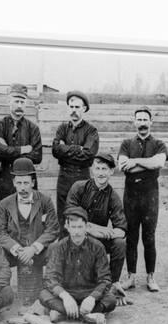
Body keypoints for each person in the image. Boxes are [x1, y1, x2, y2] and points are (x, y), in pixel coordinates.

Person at [0, 157, 59, 302]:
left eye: (26, 183)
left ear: (33, 183)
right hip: (15, 252)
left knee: (58, 249)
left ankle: (54, 291)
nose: (22, 188)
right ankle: (1, 294)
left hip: (38, 251)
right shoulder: (5, 203)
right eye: (19, 183)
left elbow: (53, 229)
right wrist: (17, 249)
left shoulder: (45, 201)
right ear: (14, 183)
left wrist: (34, 248)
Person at [118, 106, 168, 292]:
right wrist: (148, 165)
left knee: (149, 237)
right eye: (138, 119)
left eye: (144, 120)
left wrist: (136, 161)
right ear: (134, 122)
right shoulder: (126, 143)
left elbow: (159, 162)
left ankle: (150, 277)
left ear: (151, 122)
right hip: (131, 196)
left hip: (150, 196)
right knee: (131, 237)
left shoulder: (158, 144)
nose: (141, 123)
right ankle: (131, 277)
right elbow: (123, 166)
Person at [66, 153, 129, 305]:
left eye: (105, 169)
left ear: (111, 172)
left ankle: (113, 283)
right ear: (92, 170)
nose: (101, 173)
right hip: (76, 236)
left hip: (98, 241)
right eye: (98, 168)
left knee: (120, 243)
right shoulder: (79, 187)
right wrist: (93, 228)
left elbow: (121, 229)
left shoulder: (113, 196)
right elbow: (70, 215)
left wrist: (100, 231)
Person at [39, 207, 117, 324]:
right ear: (67, 227)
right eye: (73, 227)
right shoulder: (58, 247)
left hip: (89, 292)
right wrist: (65, 297)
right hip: (67, 293)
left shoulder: (97, 247)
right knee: (43, 295)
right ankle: (87, 316)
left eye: (80, 227)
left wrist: (92, 298)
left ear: (86, 227)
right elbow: (51, 278)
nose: (77, 232)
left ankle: (62, 314)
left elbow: (105, 279)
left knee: (111, 300)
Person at [52, 90, 99, 236]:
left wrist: (64, 148)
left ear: (84, 109)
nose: (73, 110)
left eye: (77, 107)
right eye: (71, 106)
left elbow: (88, 153)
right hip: (63, 178)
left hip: (82, 179)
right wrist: (77, 148)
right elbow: (55, 150)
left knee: (82, 219)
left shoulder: (91, 131)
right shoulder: (62, 128)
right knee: (63, 220)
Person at [0, 83, 42, 203]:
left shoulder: (33, 128)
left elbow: (37, 156)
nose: (19, 105)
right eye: (16, 101)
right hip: (6, 179)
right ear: (9, 101)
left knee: (28, 216)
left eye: (22, 102)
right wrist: (22, 150)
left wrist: (8, 150)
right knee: (6, 215)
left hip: (28, 179)